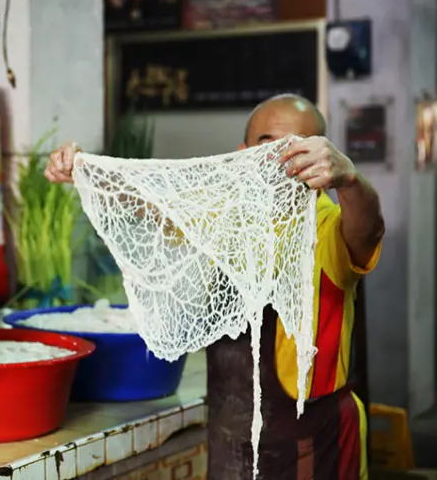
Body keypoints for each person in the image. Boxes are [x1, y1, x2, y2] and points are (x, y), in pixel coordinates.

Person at [44, 94, 385, 480]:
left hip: (311, 441)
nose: (283, 161)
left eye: (299, 150)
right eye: (267, 146)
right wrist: (85, 171)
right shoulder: (226, 219)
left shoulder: (326, 226)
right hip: (231, 432)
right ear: (241, 154)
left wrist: (350, 180)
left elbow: (368, 230)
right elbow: (149, 203)